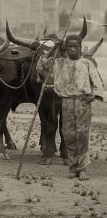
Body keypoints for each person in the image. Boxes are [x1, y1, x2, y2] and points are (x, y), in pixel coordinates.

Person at [37, 35, 104, 181]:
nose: (73, 49)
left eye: (75, 46)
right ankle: (73, 168)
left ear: (80, 48)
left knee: (82, 135)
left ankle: (82, 169)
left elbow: (98, 84)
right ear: (65, 48)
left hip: (82, 103)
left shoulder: (87, 63)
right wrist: (54, 47)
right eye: (69, 47)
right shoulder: (59, 63)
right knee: (68, 135)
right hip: (66, 102)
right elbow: (40, 66)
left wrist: (93, 96)